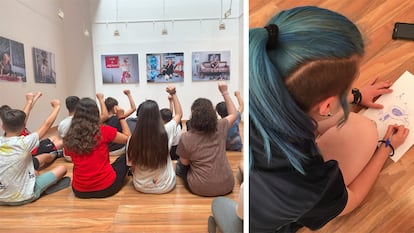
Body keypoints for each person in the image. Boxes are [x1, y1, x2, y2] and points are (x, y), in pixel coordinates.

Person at [249, 6, 409, 232]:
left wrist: (354, 95)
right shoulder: (306, 181)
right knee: (364, 131)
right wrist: (385, 148)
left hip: (255, 195)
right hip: (275, 219)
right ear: (326, 104)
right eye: (345, 91)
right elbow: (350, 201)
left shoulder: (251, 87)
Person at [0, 100, 69, 206]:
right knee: (62, 169)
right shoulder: (25, 142)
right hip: (25, 196)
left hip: (2, 198)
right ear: (23, 126)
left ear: (3, 127)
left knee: (36, 169)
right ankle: (43, 189)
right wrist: (57, 107)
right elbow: (47, 124)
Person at [175, 82, 238, 197]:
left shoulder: (186, 137)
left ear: (193, 115)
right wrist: (224, 92)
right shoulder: (221, 126)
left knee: (180, 165)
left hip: (201, 188)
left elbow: (185, 163)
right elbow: (234, 114)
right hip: (228, 185)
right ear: (213, 113)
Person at [63, 97, 131, 198]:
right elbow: (128, 138)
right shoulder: (103, 131)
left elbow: (70, 156)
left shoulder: (70, 135)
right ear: (96, 113)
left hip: (79, 191)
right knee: (124, 158)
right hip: (106, 188)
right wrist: (121, 117)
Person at [126, 85, 182, 194]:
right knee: (174, 163)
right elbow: (179, 114)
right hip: (166, 185)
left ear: (139, 117)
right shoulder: (166, 130)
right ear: (158, 115)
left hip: (141, 185)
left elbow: (132, 168)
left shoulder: (132, 139)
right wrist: (173, 93)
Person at [103, 90, 136, 154]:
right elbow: (133, 108)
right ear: (115, 107)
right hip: (118, 149)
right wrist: (129, 95)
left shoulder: (101, 120)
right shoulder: (119, 118)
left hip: (108, 150)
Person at [57, 96, 80, 162]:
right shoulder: (83, 121)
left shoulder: (62, 123)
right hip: (81, 155)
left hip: (68, 156)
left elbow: (61, 141)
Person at [160, 95, 182, 160]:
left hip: (172, 149)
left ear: (163, 120)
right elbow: (175, 114)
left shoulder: (165, 129)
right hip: (178, 147)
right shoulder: (177, 123)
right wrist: (171, 101)